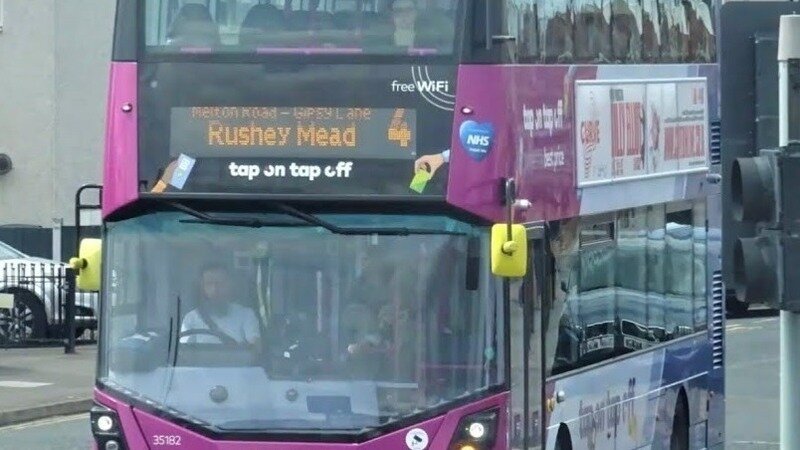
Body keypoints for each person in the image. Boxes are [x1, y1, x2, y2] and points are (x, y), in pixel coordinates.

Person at [180, 263, 261, 346]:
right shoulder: (191, 318)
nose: (214, 289)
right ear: (202, 288)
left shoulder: (246, 315)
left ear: (229, 285)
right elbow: (184, 351)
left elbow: (254, 347)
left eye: (220, 283)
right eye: (209, 284)